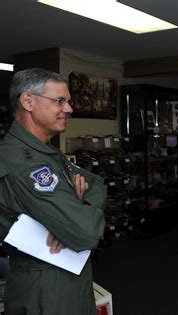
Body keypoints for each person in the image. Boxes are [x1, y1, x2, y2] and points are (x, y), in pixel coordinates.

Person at [0, 68, 106, 314]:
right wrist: (72, 220)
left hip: (70, 278)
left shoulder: (47, 152)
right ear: (28, 101)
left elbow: (97, 182)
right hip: (45, 289)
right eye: (59, 101)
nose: (69, 108)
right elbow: (86, 233)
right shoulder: (22, 160)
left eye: (68, 101)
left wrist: (75, 212)